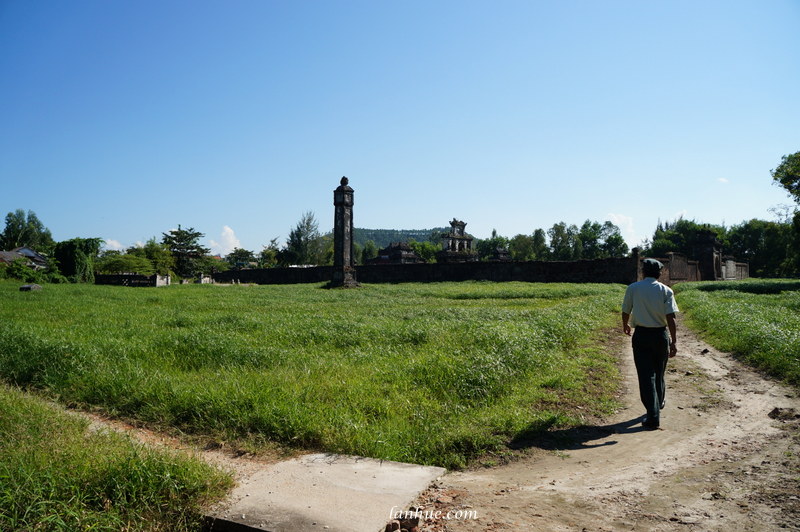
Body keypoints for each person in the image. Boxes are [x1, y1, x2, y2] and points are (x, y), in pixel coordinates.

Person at [621, 258, 679, 430]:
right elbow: (671, 318)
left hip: (642, 336)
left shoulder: (633, 288)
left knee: (646, 376)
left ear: (643, 272)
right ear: (659, 273)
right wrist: (674, 341)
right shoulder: (666, 290)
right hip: (660, 335)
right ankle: (658, 402)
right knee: (659, 372)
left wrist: (625, 325)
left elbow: (626, 310)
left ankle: (653, 416)